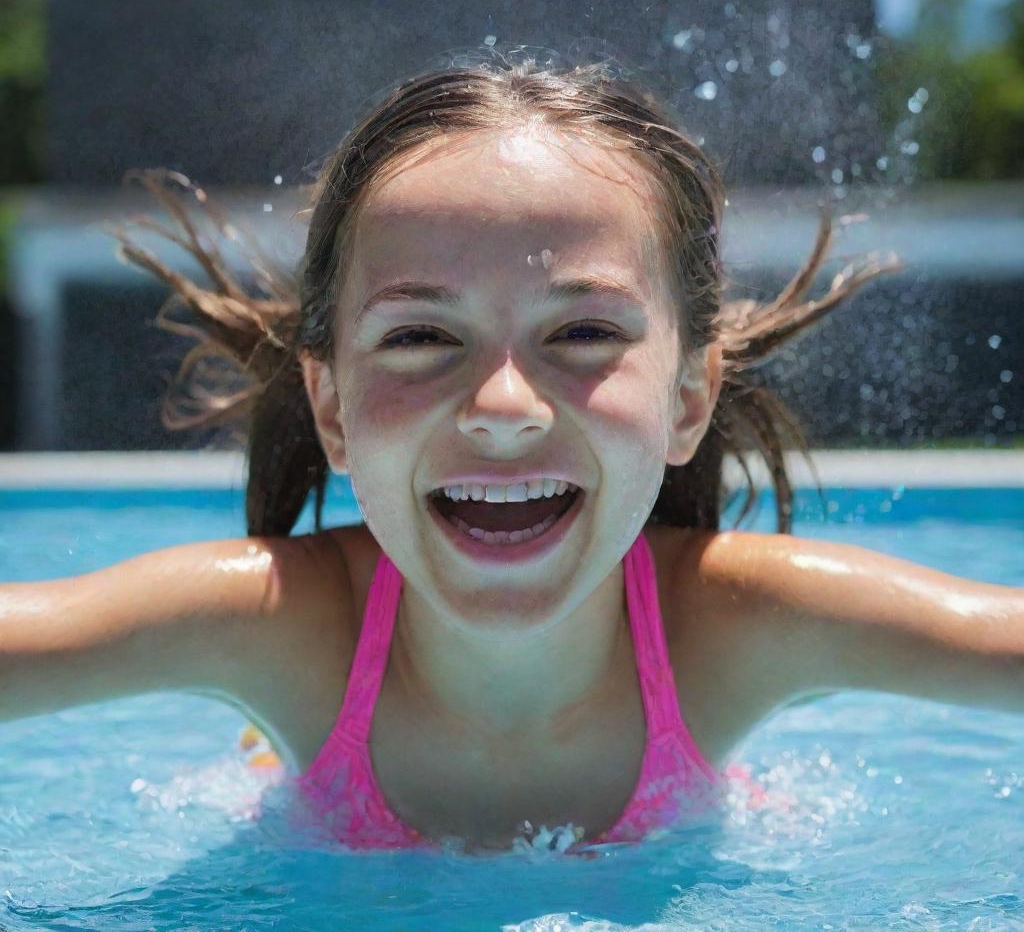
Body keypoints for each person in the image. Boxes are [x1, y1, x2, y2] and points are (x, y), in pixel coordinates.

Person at [3, 55, 1022, 853]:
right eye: (418, 338)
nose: (500, 405)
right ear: (333, 408)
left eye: (581, 334)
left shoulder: (733, 625)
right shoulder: (283, 628)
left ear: (688, 396)